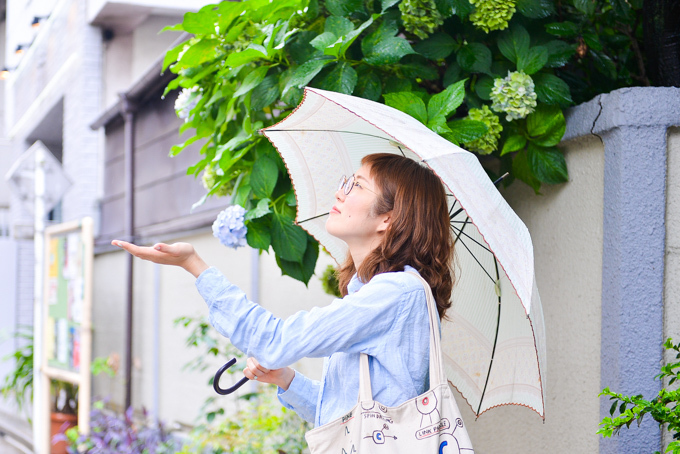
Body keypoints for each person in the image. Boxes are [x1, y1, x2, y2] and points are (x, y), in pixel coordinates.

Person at [113, 153, 454, 427]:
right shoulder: (378, 293)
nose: (341, 191)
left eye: (358, 186)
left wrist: (196, 266)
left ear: (388, 220)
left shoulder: (395, 294)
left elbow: (275, 342)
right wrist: (287, 379)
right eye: (346, 182)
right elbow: (342, 418)